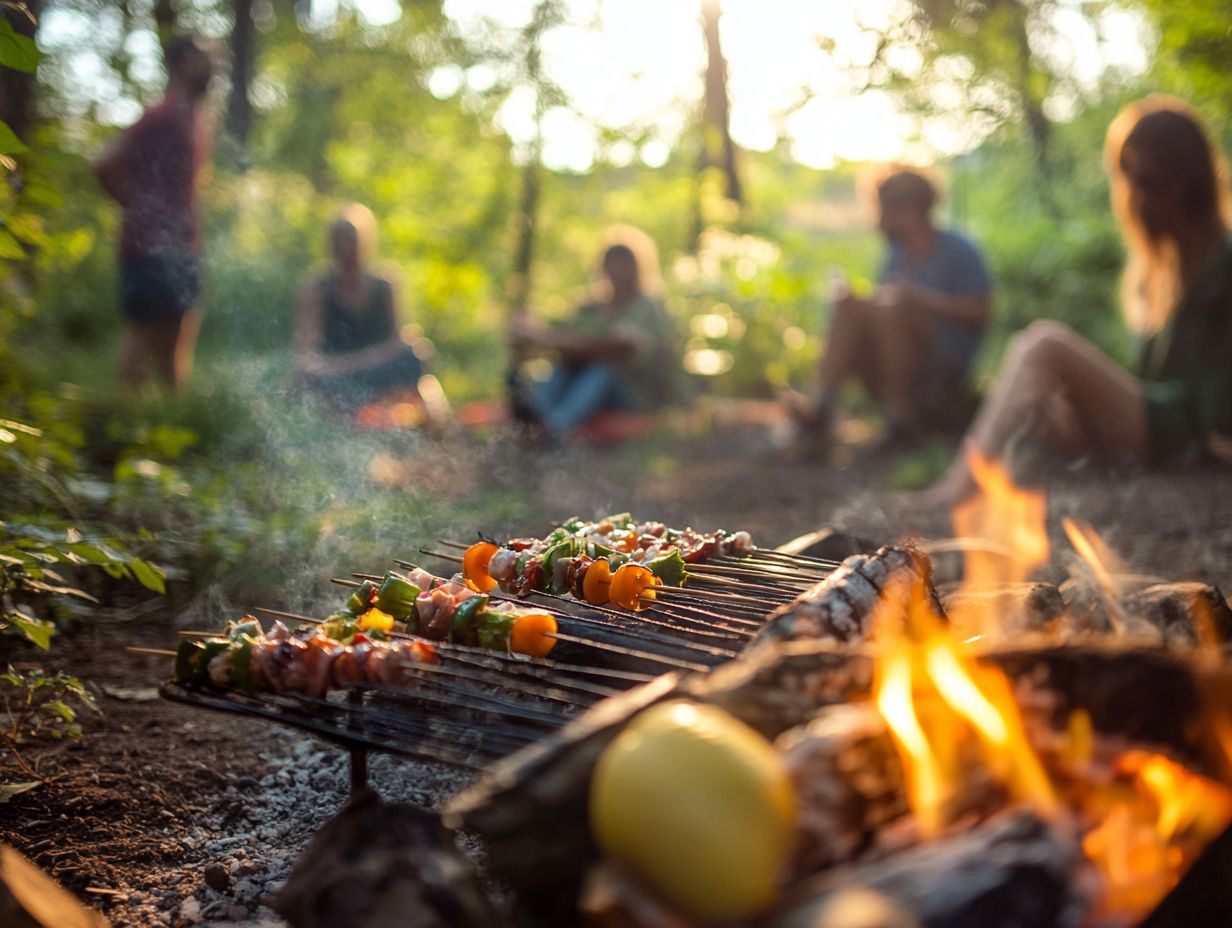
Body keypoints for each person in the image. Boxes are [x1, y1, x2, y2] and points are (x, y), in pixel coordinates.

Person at [924, 95, 1232, 505]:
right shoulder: (1166, 265)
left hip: (1188, 434)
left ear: (1189, 179)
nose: (1138, 197)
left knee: (1045, 344)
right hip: (1160, 425)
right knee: (1042, 397)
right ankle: (1002, 508)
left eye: (1151, 181)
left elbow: (1201, 402)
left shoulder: (1223, 263)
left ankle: (954, 492)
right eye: (1129, 178)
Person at [786, 168, 993, 456]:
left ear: (909, 211)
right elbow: (886, 306)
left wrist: (921, 301)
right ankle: (821, 410)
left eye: (883, 209)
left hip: (942, 370)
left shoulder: (960, 250)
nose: (878, 218)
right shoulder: (896, 253)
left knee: (894, 308)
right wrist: (861, 305)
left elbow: (981, 311)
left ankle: (902, 420)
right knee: (849, 310)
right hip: (893, 355)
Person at [94, 36, 215, 390]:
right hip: (146, 249)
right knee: (141, 335)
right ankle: (127, 429)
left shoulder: (197, 119)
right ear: (181, 64)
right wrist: (138, 211)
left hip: (183, 248)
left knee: (176, 343)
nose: (213, 66)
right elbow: (103, 163)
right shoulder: (160, 115)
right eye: (204, 59)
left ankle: (170, 427)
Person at [511, 228, 678, 443]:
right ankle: (538, 416)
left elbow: (622, 347)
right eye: (612, 263)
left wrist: (546, 338)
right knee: (566, 367)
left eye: (624, 263)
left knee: (603, 370)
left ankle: (553, 429)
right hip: (582, 382)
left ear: (637, 267)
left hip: (635, 395)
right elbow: (557, 333)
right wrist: (531, 329)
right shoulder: (589, 308)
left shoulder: (648, 307)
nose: (617, 270)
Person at [293, 204, 437, 415]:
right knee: (311, 378)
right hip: (336, 372)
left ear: (365, 241)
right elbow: (307, 352)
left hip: (375, 367)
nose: (346, 248)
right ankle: (343, 410)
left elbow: (398, 340)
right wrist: (334, 367)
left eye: (351, 239)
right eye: (339, 240)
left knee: (415, 355)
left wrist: (364, 361)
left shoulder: (385, 283)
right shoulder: (318, 286)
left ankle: (420, 412)